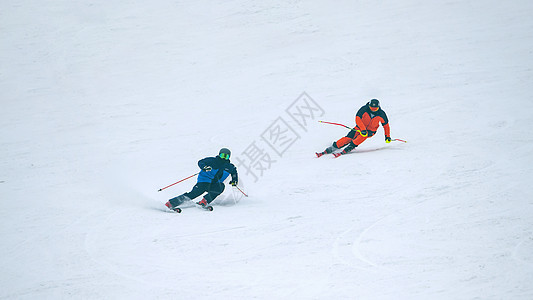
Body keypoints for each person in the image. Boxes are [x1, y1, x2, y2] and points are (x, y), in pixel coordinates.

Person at [165, 148, 238, 211]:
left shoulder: (230, 166)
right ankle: (171, 203)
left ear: (229, 157)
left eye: (226, 156)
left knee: (220, 187)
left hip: (214, 184)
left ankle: (204, 201)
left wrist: (234, 180)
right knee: (194, 194)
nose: (223, 158)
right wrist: (204, 167)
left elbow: (234, 172)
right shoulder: (212, 160)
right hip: (204, 181)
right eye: (222, 155)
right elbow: (201, 162)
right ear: (219, 155)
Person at [317, 99, 391, 157]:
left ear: (378, 107)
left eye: (375, 108)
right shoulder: (364, 109)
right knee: (348, 138)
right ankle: (334, 147)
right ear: (369, 106)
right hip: (360, 128)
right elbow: (357, 118)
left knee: (363, 135)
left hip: (371, 131)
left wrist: (387, 136)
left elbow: (386, 126)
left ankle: (351, 146)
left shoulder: (382, 114)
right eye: (372, 108)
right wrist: (362, 129)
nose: (373, 109)